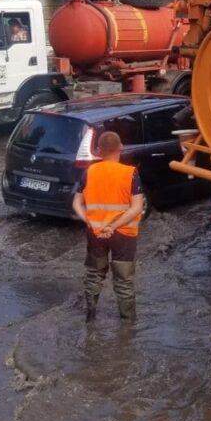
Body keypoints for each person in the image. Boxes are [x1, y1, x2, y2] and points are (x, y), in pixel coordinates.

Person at [72, 131, 144, 322]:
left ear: (99, 151)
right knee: (124, 280)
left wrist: (87, 219)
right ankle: (128, 325)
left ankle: (90, 316)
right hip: (124, 234)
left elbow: (76, 203)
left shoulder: (89, 172)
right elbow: (137, 207)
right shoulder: (130, 173)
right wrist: (113, 226)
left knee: (94, 274)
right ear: (120, 148)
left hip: (95, 232)